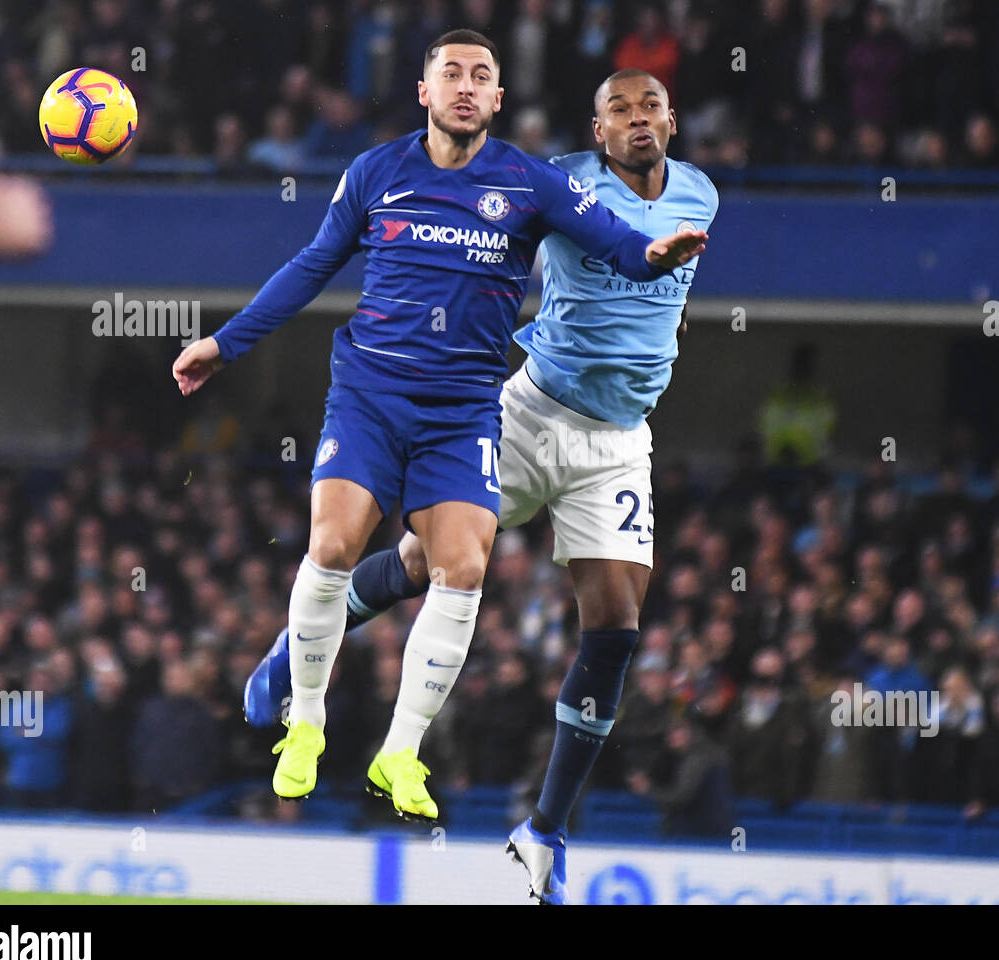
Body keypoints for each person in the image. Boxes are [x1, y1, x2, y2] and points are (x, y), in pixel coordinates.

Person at [173, 32, 705, 814]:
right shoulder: (376, 173)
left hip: (463, 409)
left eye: (480, 76)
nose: (465, 85)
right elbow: (313, 264)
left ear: (497, 100)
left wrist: (658, 255)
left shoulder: (529, 183)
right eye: (449, 73)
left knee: (461, 569)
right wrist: (225, 342)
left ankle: (400, 752)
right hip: (372, 393)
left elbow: (623, 247)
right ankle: (308, 724)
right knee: (333, 542)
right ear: (424, 91)